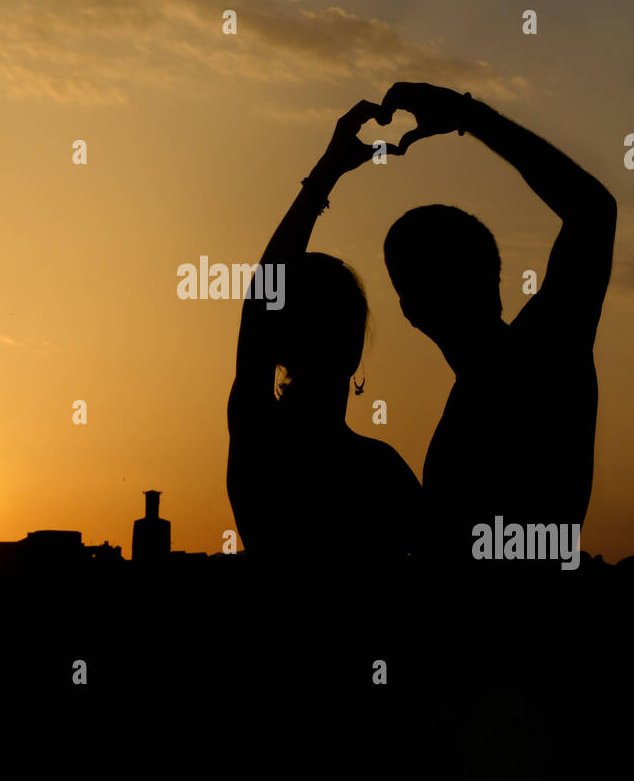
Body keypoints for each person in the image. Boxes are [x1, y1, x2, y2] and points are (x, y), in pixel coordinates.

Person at [380, 82, 616, 567]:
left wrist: (469, 114)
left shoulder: (543, 352)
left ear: (410, 311)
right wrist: (467, 116)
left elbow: (594, 211)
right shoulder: (520, 366)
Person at [227, 100, 422, 565]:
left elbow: (261, 301)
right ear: (356, 346)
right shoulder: (382, 472)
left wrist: (327, 172)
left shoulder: (261, 440)